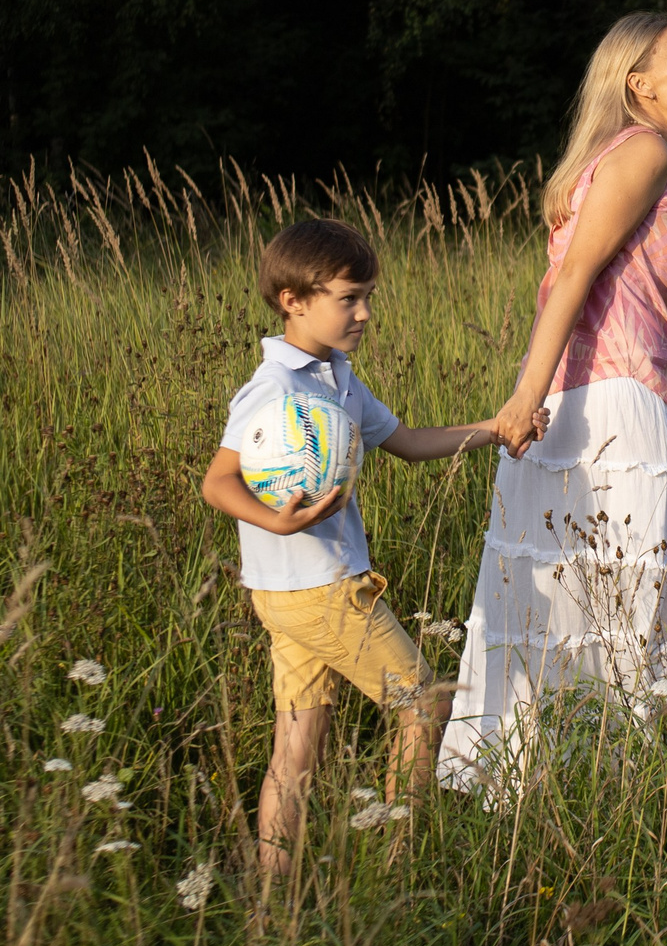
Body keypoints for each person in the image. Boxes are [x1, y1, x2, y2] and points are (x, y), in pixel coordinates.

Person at [438, 13, 667, 791]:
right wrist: (521, 398)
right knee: (635, 611)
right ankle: (622, 789)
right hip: (614, 406)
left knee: (574, 608)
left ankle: (542, 789)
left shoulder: (646, 164)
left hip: (587, 402)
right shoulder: (643, 151)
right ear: (639, 84)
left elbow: (655, 246)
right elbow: (575, 273)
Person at [197, 217, 526, 878]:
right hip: (321, 588)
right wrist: (279, 522)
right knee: (425, 703)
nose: (365, 312)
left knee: (297, 748)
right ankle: (398, 866)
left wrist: (497, 427)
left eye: (367, 295)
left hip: (294, 597)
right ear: (294, 300)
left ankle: (271, 903)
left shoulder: (336, 378)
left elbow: (406, 442)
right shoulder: (276, 389)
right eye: (349, 297)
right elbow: (217, 480)